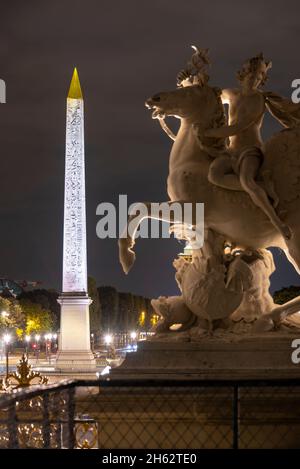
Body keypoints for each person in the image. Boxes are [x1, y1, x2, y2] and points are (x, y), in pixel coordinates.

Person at [195, 53, 291, 240]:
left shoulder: (258, 99)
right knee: (213, 175)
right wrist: (194, 81)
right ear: (243, 75)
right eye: (251, 76)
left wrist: (209, 133)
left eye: (259, 78)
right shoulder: (231, 94)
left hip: (250, 151)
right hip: (231, 152)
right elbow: (210, 96)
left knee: (247, 181)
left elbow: (239, 126)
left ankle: (277, 222)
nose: (254, 81)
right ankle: (263, 187)